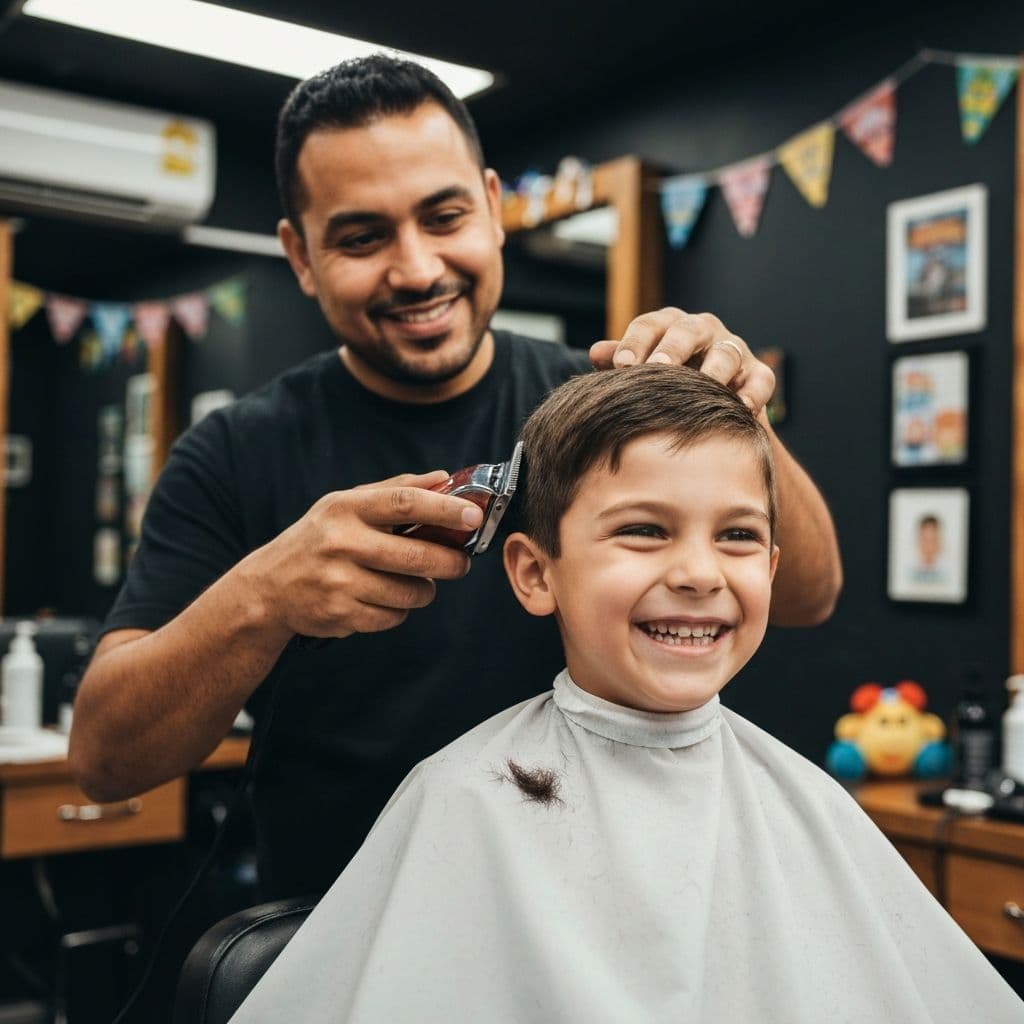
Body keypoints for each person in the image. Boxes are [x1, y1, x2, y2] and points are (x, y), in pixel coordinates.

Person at [68, 54, 842, 900]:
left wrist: (737, 407)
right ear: (300, 255)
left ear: (492, 206)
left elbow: (807, 594)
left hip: (598, 902)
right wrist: (265, 598)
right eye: (362, 238)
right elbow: (107, 763)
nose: (417, 269)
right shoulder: (232, 453)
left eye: (444, 217)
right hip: (344, 927)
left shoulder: (592, 408)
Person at [228, 365, 1020, 1023]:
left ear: (771, 570)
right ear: (534, 573)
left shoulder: (810, 802)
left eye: (738, 535)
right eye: (644, 530)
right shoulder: (462, 801)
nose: (700, 573)